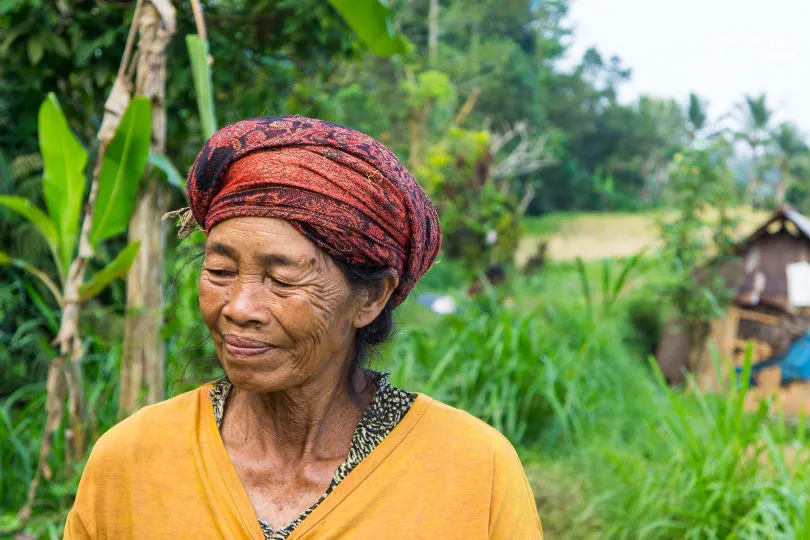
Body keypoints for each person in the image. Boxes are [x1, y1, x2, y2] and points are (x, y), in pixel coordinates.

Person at [64, 116, 543, 539]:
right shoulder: (131, 460)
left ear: (371, 298)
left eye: (282, 278)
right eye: (220, 272)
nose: (239, 307)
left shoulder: (472, 471)